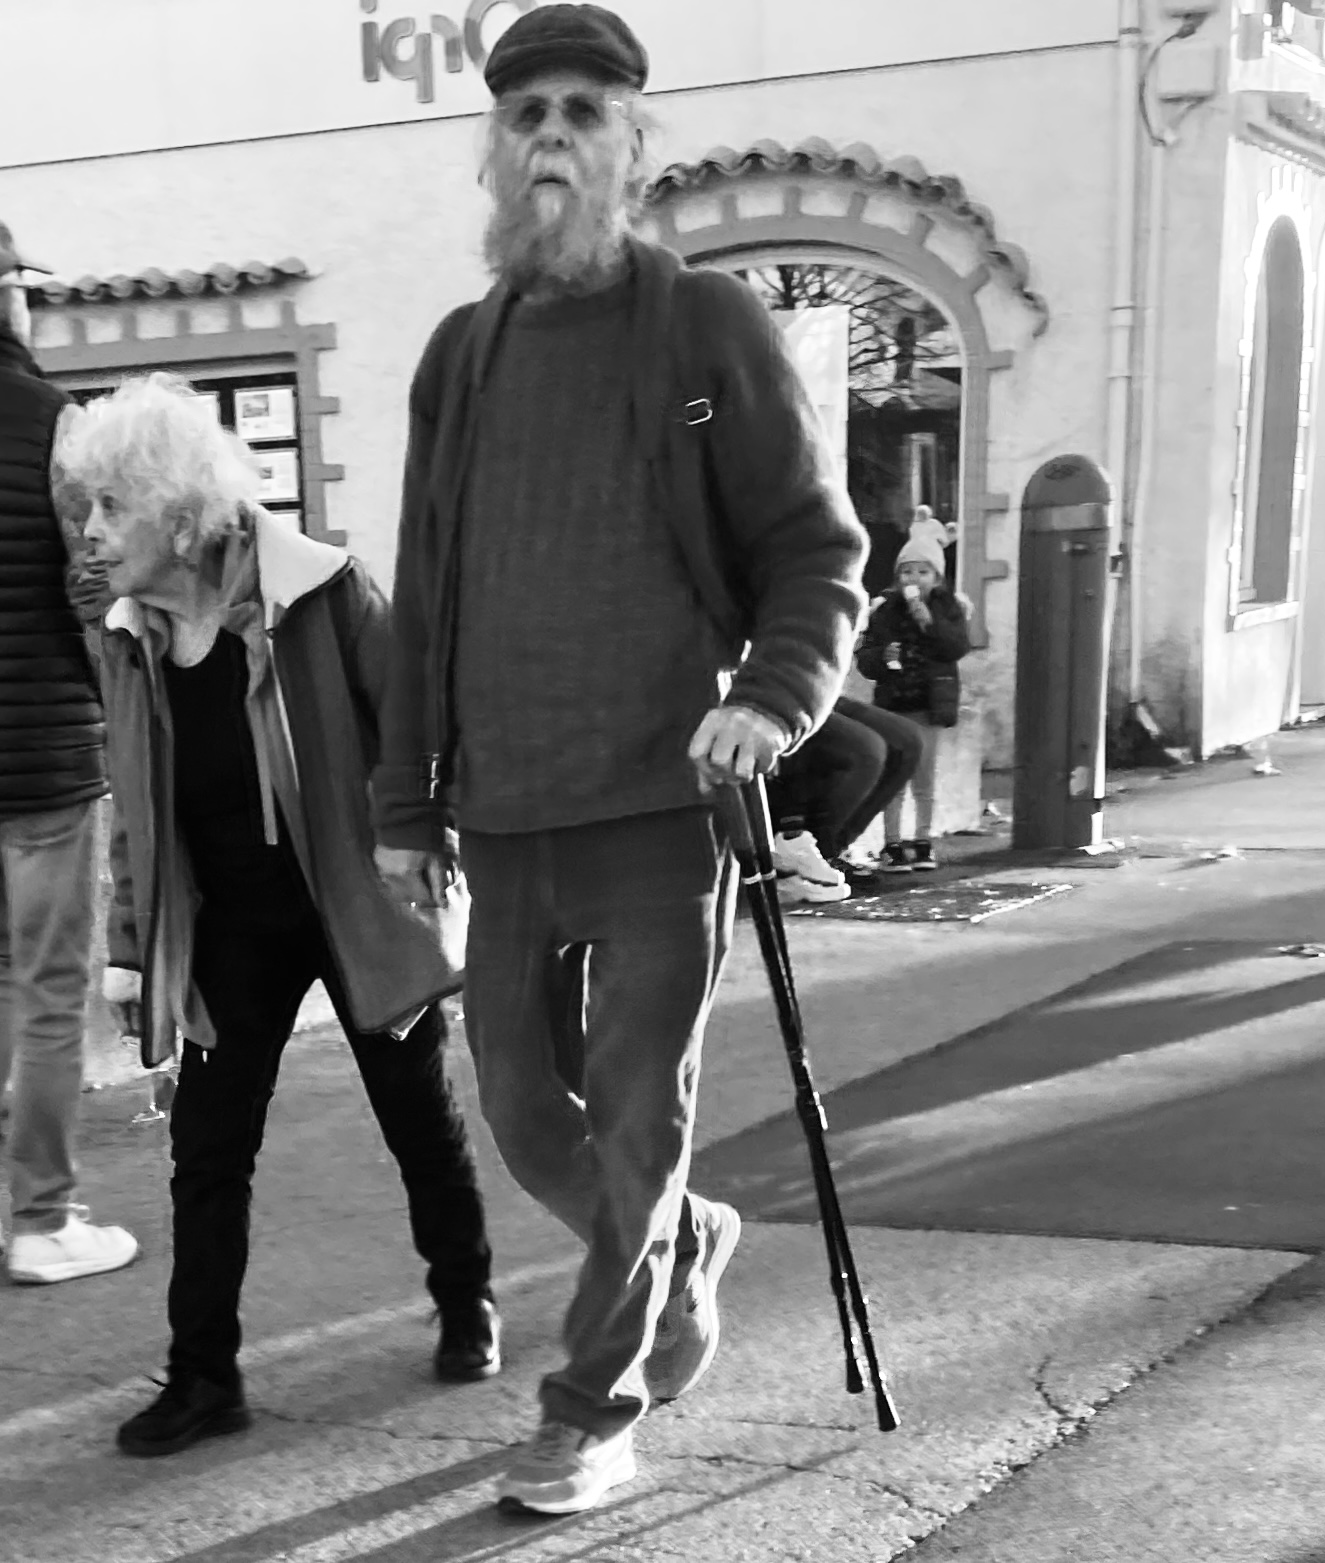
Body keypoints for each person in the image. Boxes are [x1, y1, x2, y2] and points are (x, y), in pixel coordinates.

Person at [371, 4, 867, 1519]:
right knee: (524, 1111)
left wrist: (770, 700)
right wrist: (408, 800)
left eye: (583, 112)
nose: (551, 138)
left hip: (662, 802)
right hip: (503, 811)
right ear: (493, 147)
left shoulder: (703, 328)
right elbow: (425, 584)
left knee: (639, 1117)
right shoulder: (462, 355)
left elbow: (814, 552)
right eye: (526, 113)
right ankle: (684, 1245)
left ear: (630, 145)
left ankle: (593, 1402)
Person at [52, 375, 499, 1458]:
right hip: (229, 926)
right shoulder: (127, 635)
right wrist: (131, 952)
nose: (92, 532)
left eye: (111, 506)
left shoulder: (325, 594)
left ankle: (466, 1297)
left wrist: (427, 852)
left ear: (179, 514)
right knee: (207, 1152)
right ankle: (205, 1376)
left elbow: (419, 728)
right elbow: (138, 811)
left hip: (351, 902)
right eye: (87, 509)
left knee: (416, 1115)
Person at [0, 220, 137, 1285]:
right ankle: (43, 1221)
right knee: (49, 989)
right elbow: (93, 586)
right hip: (45, 754)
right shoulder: (58, 425)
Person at [855, 534, 970, 872]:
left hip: (928, 704)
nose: (914, 579)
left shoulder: (949, 608)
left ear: (937, 578)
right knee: (894, 778)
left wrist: (928, 622)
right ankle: (892, 844)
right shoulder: (885, 611)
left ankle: (923, 842)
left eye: (923, 572)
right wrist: (881, 656)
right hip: (893, 705)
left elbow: (955, 648)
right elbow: (865, 658)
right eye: (907, 572)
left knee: (924, 778)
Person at [769, 696, 924, 897]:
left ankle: (828, 850)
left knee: (906, 741)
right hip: (770, 693)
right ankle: (797, 851)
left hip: (819, 689)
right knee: (866, 750)